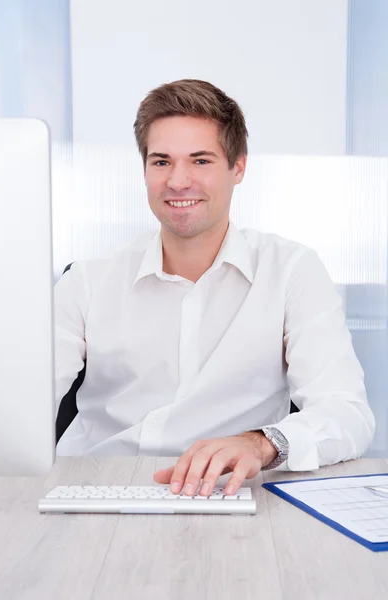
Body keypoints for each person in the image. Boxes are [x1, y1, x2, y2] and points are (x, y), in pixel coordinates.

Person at [55, 79, 375, 498]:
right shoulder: (87, 280)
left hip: (231, 492)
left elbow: (348, 414)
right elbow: (16, 404)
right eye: (161, 161)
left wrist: (262, 443)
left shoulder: (291, 271)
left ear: (238, 167)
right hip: (95, 488)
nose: (178, 180)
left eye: (201, 161)